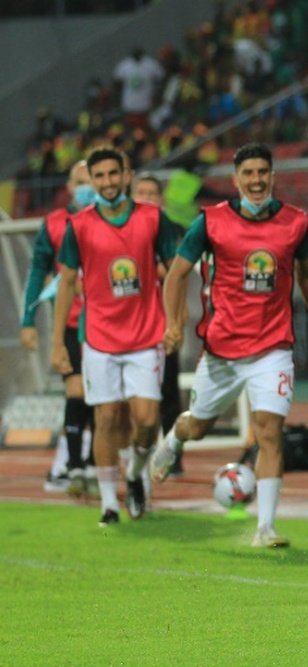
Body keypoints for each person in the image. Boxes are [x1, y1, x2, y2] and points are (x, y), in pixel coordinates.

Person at [150, 143, 308, 548]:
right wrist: (174, 322)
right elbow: (177, 273)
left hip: (273, 348)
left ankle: (266, 527)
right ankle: (175, 438)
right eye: (248, 173)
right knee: (198, 426)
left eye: (262, 172)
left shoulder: (295, 222)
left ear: (272, 175)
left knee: (269, 432)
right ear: (236, 179)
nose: (256, 180)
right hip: (221, 350)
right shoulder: (210, 222)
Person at [50, 148, 177, 527]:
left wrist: (177, 322)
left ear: (127, 175)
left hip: (146, 335)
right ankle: (108, 504)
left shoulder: (153, 218)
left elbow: (175, 272)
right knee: (104, 418)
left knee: (147, 420)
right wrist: (58, 341)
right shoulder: (80, 225)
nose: (106, 183)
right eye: (98, 176)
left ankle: (135, 472)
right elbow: (67, 283)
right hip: (99, 338)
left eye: (112, 174)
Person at [21, 160, 97, 497]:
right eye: (79, 181)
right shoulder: (53, 224)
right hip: (69, 323)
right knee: (76, 392)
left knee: (102, 401)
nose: (85, 187)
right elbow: (38, 271)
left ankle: (91, 464)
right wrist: (28, 321)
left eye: (90, 181)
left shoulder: (109, 220)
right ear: (68, 186)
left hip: (107, 325)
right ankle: (75, 465)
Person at [132, 172, 185, 478]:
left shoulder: (170, 230)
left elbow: (176, 278)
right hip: (129, 327)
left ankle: (171, 454)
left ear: (161, 199)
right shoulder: (124, 228)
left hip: (161, 325)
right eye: (142, 192)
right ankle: (137, 453)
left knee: (167, 391)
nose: (147, 198)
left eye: (152, 193)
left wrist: (176, 322)